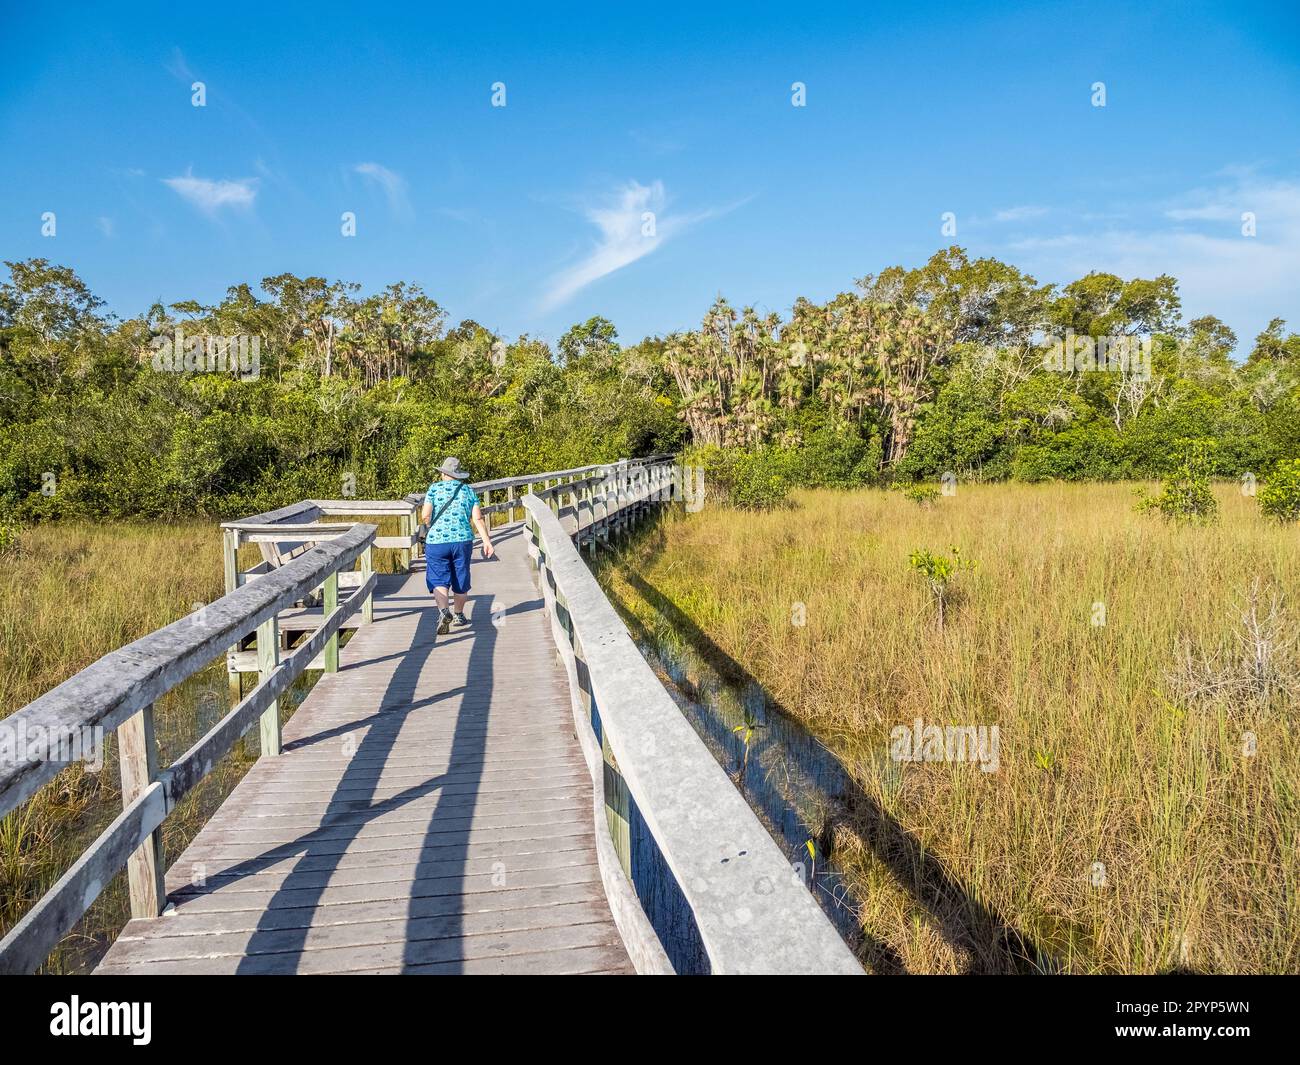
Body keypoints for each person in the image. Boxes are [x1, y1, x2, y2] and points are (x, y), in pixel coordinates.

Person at [421, 457, 494, 635]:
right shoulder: (468, 491)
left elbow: (425, 516)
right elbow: (478, 518)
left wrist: (432, 525)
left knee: (438, 579)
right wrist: (486, 541)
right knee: (461, 578)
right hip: (462, 541)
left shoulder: (434, 488)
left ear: (444, 473)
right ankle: (459, 615)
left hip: (437, 541)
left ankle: (444, 612)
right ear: (458, 474)